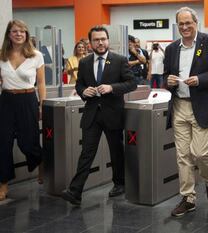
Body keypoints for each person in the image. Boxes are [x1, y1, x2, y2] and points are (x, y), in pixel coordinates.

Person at [61, 25, 136, 206]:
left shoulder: (119, 60)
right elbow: (79, 85)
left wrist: (112, 87)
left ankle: (119, 183)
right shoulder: (85, 62)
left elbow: (132, 83)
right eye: (96, 40)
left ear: (108, 40)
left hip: (113, 113)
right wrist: (83, 92)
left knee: (116, 151)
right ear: (90, 43)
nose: (100, 42)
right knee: (87, 152)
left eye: (103, 39)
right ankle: (75, 190)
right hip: (92, 114)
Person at [164, 7, 208, 217]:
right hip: (179, 106)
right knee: (183, 155)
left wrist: (200, 80)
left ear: (195, 22)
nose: (184, 27)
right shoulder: (172, 48)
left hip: (202, 107)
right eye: (181, 24)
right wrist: (169, 81)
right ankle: (188, 197)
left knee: (200, 153)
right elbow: (166, 75)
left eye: (188, 23)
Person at [0, 19, 46, 201]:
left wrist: (42, 103)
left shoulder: (36, 55)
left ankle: (41, 162)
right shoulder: (2, 55)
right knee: (3, 143)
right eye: (14, 31)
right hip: (6, 101)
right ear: (9, 35)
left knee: (28, 142)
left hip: (27, 100)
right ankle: (3, 184)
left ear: (26, 35)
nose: (19, 34)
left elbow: (41, 83)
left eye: (22, 31)